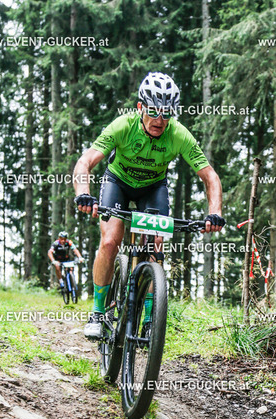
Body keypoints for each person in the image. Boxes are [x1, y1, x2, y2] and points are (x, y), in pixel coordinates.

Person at [73, 71, 225, 339]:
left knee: (154, 246)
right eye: (153, 111)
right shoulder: (123, 125)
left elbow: (210, 176)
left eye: (167, 113)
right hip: (117, 182)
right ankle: (97, 312)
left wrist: (215, 213)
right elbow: (85, 162)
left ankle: (149, 319)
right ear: (140, 107)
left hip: (152, 188)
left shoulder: (178, 134)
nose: (159, 120)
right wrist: (84, 194)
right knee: (110, 241)